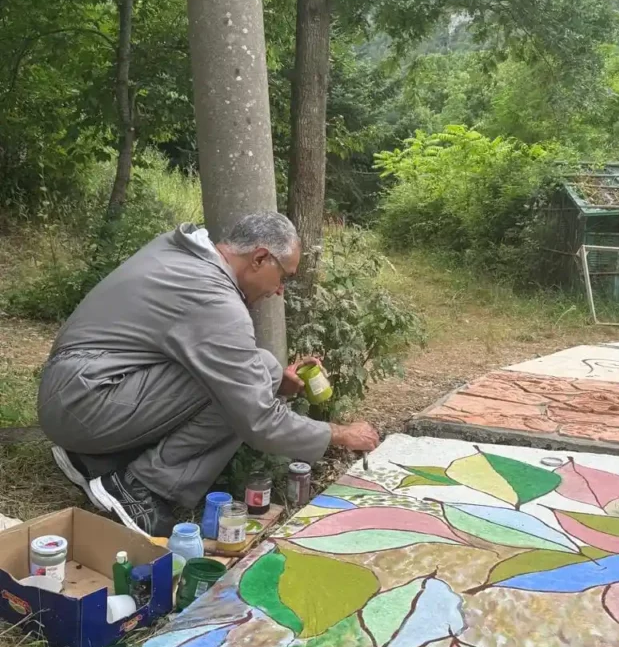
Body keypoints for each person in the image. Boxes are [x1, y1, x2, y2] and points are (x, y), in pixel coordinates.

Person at [38, 213, 380, 535]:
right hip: (86, 402)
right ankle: (141, 487)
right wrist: (341, 434)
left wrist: (276, 381)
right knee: (242, 391)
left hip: (78, 391)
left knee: (262, 367)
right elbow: (257, 420)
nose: (279, 291)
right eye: (284, 277)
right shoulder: (214, 298)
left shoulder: (184, 254)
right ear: (260, 258)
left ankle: (93, 458)